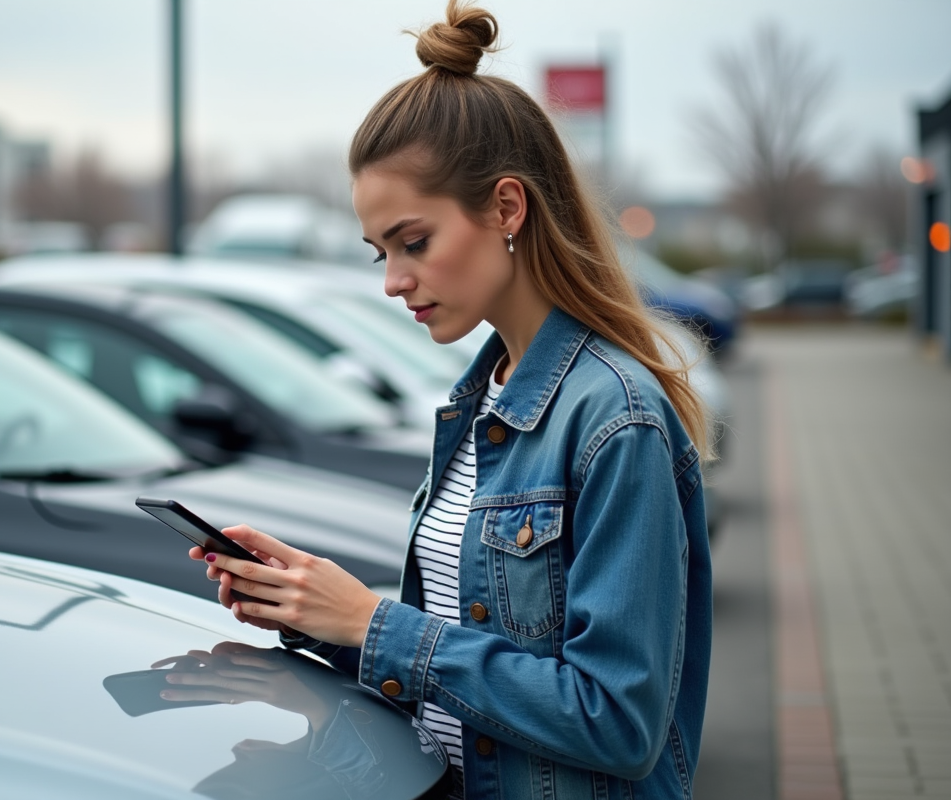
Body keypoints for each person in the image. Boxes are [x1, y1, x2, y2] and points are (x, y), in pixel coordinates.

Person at [190, 2, 713, 798]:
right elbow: (471, 658)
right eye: (381, 253)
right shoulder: (480, 401)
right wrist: (317, 614)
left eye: (414, 241)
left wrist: (374, 625)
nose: (394, 280)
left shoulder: (615, 419)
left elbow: (616, 719)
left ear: (506, 208)